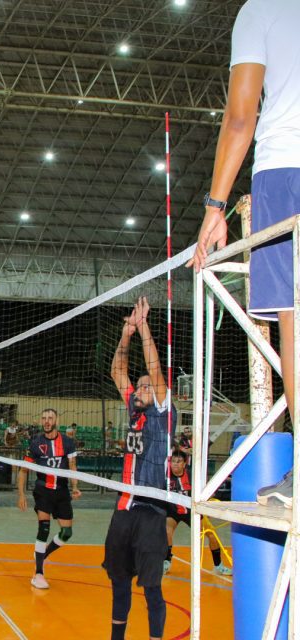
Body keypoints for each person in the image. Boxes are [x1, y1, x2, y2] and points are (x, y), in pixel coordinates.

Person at [190, 0, 299, 507]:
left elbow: (240, 117)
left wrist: (216, 206)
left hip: (285, 170)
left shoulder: (262, 10)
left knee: (294, 322)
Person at [105, 296, 175, 640]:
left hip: (151, 512)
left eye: (146, 386)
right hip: (123, 510)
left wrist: (144, 325)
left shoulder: (163, 416)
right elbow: (117, 370)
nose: (141, 388)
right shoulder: (134, 410)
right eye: (141, 385)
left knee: (151, 588)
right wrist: (127, 332)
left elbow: (157, 372)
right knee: (119, 582)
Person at [16, 408, 81, 589]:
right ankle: (38, 573)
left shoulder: (67, 442)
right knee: (43, 528)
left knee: (66, 533)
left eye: (50, 418)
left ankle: (42, 554)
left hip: (61, 490)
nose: (46, 421)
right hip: (43, 489)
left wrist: (75, 487)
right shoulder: (35, 443)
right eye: (44, 418)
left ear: (56, 420)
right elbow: (23, 470)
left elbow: (72, 467)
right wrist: (21, 494)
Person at [164, 451, 232, 576]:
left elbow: (207, 492)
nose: (175, 464)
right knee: (167, 531)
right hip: (173, 511)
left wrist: (207, 504)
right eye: (173, 461)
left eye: (178, 462)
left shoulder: (192, 477)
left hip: (192, 511)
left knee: (211, 535)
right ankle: (166, 562)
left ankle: (219, 566)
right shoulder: (166, 476)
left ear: (184, 464)